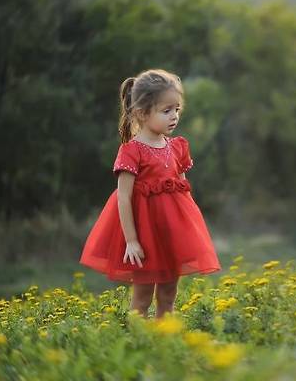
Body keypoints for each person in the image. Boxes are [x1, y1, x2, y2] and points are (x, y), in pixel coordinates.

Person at [80, 69, 220, 317]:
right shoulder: (132, 151)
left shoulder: (177, 147)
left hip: (170, 234)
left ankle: (163, 341)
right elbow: (123, 198)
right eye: (166, 111)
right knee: (142, 297)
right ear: (142, 113)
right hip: (145, 236)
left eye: (176, 109)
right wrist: (132, 241)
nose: (174, 116)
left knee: (168, 295)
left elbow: (183, 191)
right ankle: (140, 343)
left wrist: (188, 232)